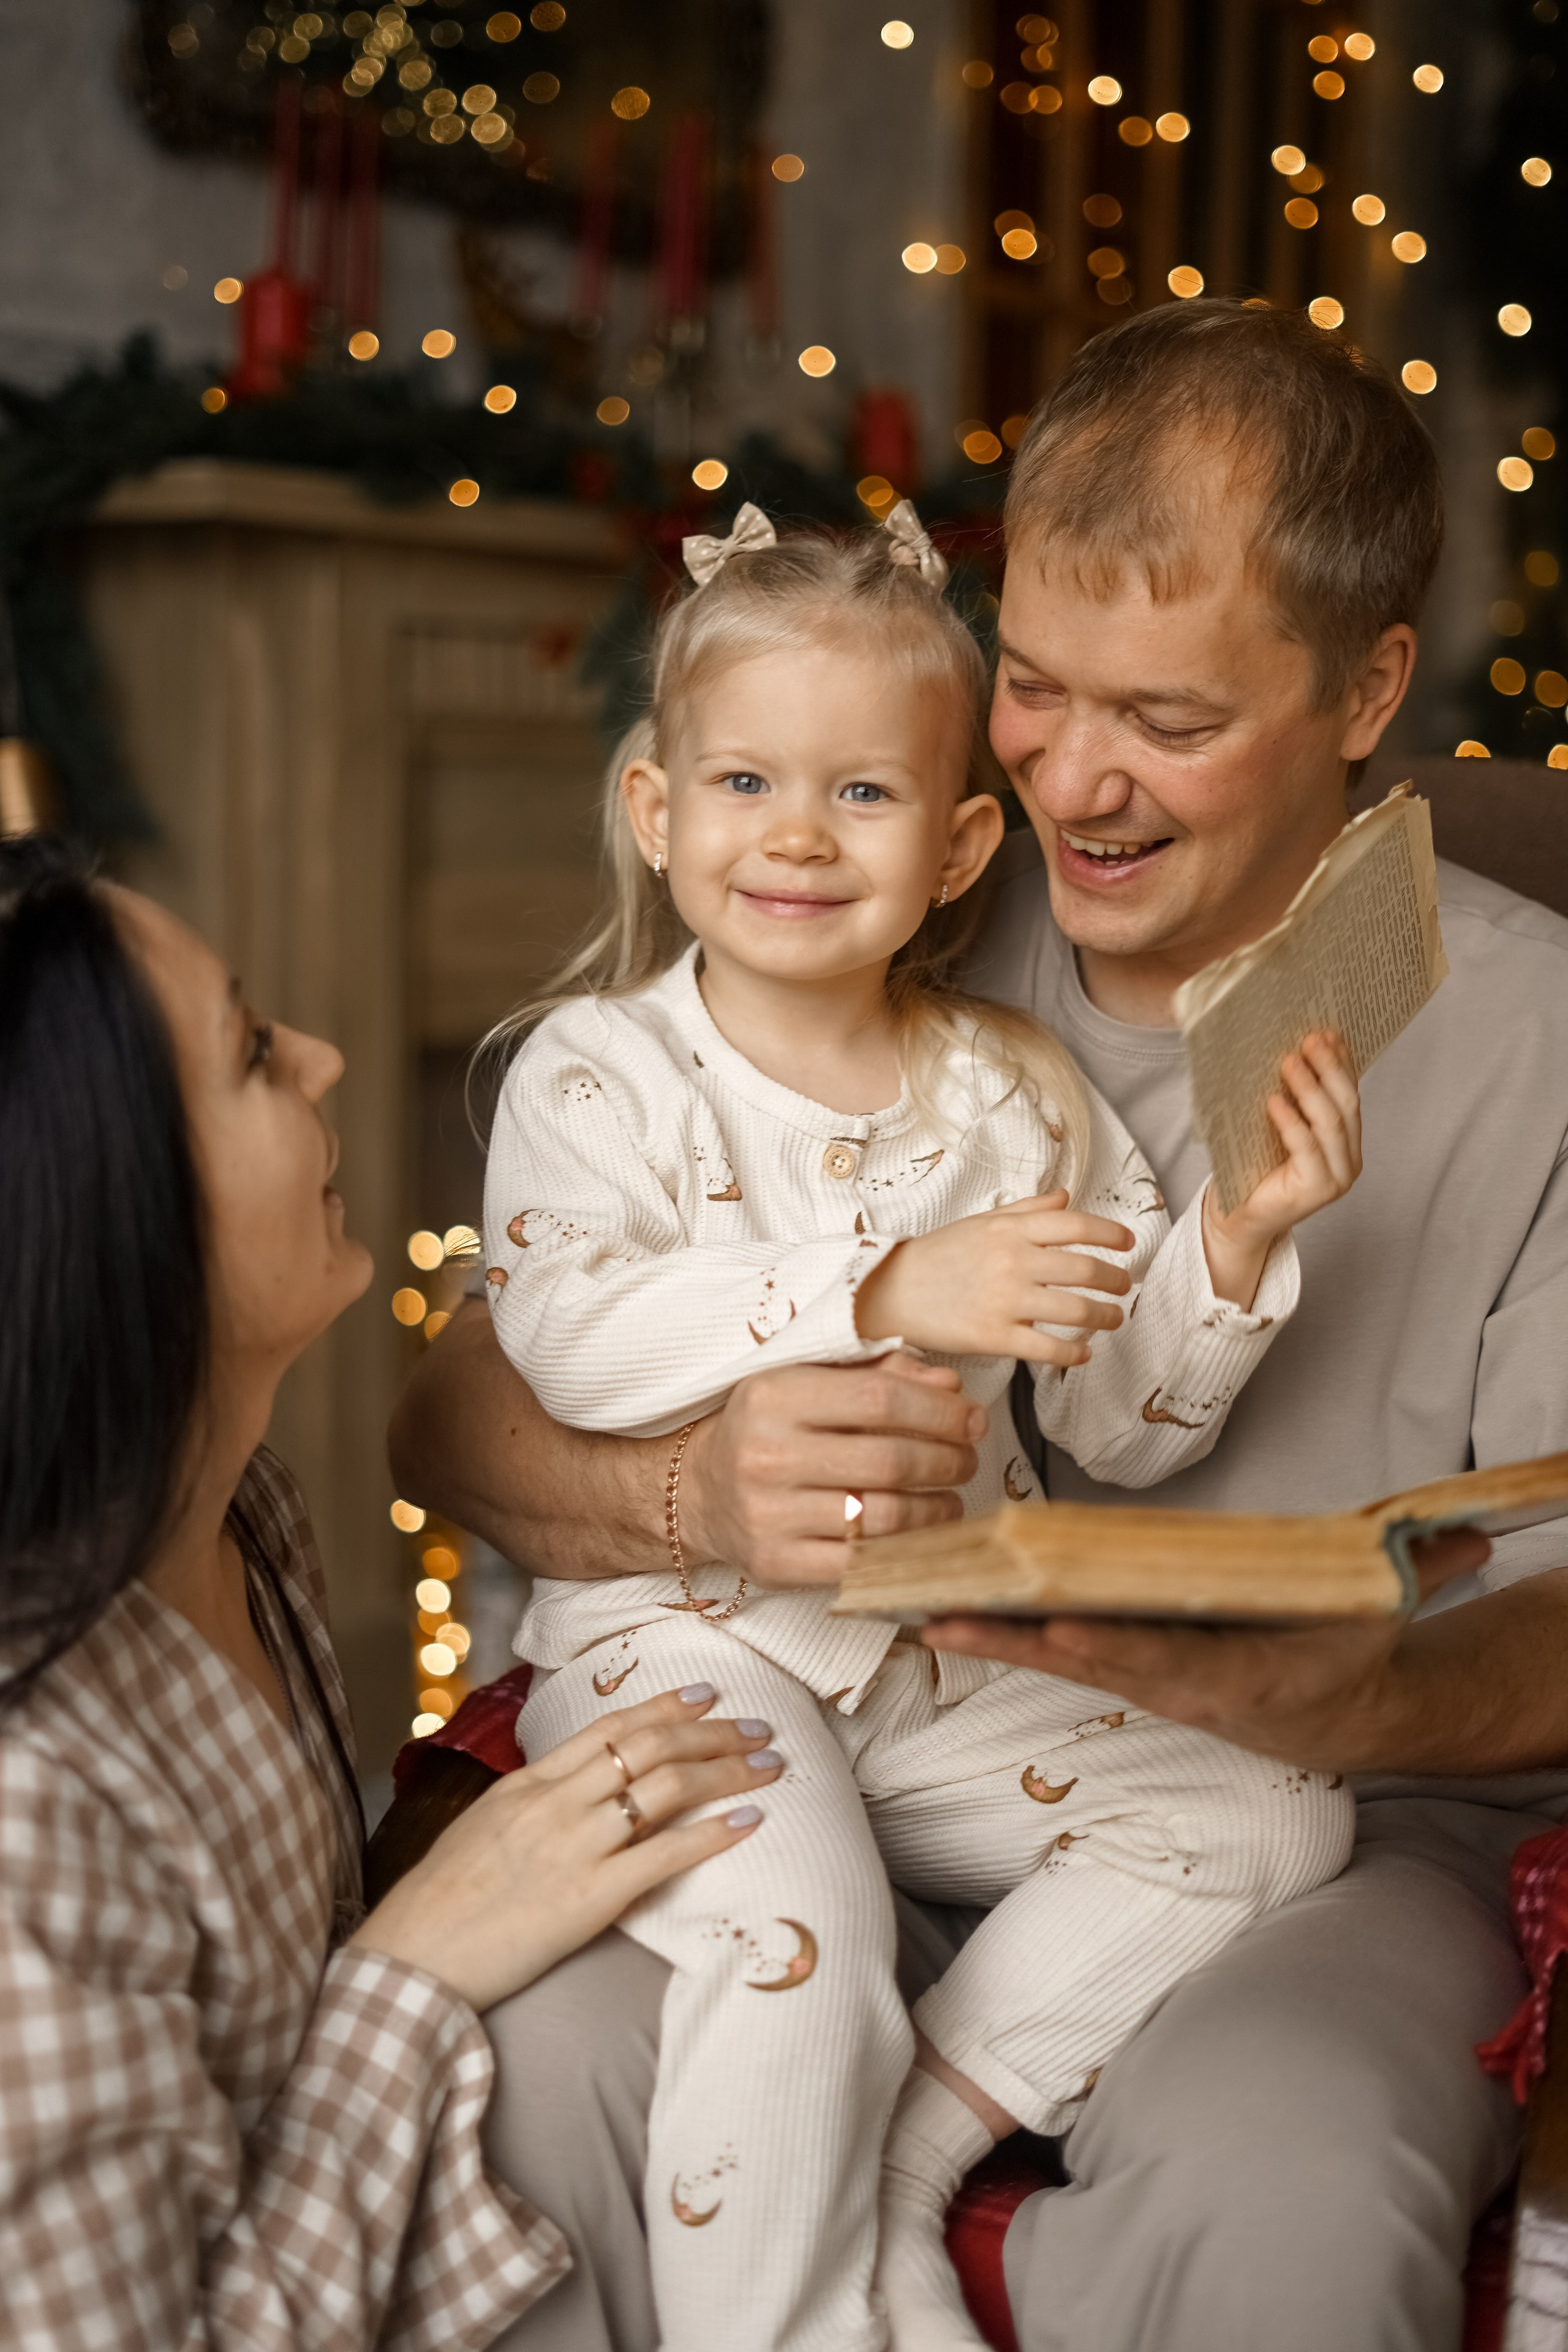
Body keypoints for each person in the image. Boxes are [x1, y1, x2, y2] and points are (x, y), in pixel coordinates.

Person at [390, 301, 1568, 2352]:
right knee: (544, 2065)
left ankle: (914, 2154)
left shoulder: (1539, 1033)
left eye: (1173, 724)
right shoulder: (875, 875)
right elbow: (457, 1409)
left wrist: (1312, 1700)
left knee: (1281, 2166)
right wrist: (690, 1487)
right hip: (836, 1712)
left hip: (1336, 1832)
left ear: (1370, 685)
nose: (1074, 785)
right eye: (1033, 687)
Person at [478, 502, 1363, 2352]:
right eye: (743, 781)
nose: (796, 834)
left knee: (1278, 1808)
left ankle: (901, 2153)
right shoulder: (599, 1074)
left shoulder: (1011, 1093)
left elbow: (1123, 1429)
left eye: (863, 797)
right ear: (658, 810)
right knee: (798, 1954)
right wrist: (885, 1288)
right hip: (683, 1651)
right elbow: (566, 1340)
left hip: (937, 1667)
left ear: (964, 843)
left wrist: (1232, 1240)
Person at [0, 831, 786, 2350]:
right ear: (119, 1210)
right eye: (247, 1054)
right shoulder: (29, 1805)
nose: (325, 1055)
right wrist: (413, 1963)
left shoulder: (239, 1513)